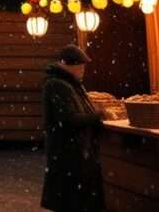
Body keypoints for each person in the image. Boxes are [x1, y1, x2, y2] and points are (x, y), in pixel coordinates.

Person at [41, 44, 105, 212]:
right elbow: (70, 119)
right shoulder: (59, 85)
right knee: (71, 199)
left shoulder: (68, 84)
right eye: (80, 66)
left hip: (70, 150)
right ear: (70, 66)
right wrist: (99, 115)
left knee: (71, 198)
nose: (83, 70)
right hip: (68, 150)